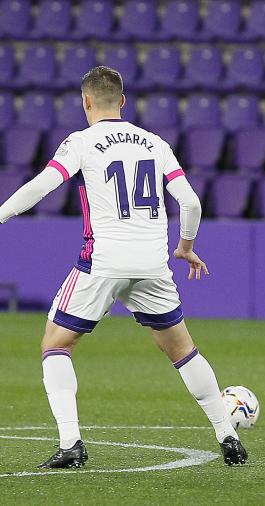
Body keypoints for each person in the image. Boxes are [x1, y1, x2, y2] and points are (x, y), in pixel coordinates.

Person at [0, 66, 248, 467]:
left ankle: (71, 445)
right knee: (184, 351)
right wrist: (184, 247)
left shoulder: (81, 141)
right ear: (123, 101)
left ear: (85, 101)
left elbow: (42, 185)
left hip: (104, 260)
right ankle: (227, 435)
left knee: (55, 345)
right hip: (152, 263)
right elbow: (191, 203)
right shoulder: (155, 143)